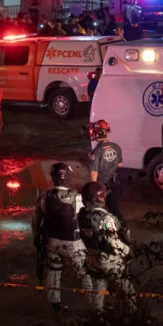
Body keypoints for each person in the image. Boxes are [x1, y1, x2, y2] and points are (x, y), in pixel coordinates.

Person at [31, 162, 90, 313]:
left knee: (53, 270)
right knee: (85, 272)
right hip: (73, 242)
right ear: (69, 178)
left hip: (52, 242)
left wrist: (36, 238)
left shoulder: (44, 197)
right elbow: (83, 218)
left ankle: (55, 303)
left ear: (52, 178)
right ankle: (95, 302)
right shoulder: (76, 197)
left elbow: (36, 221)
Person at [79, 181, 135, 313]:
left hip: (91, 259)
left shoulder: (81, 216)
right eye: (102, 196)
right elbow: (114, 243)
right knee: (126, 286)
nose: (104, 197)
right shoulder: (105, 219)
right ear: (98, 198)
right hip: (107, 259)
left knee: (99, 284)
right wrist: (128, 251)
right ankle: (133, 312)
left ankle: (98, 314)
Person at [88, 119, 124, 222]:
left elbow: (94, 172)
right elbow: (119, 163)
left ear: (96, 133)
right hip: (114, 184)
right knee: (114, 209)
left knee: (98, 212)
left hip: (101, 187)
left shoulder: (96, 152)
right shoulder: (116, 147)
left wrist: (93, 190)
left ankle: (122, 231)